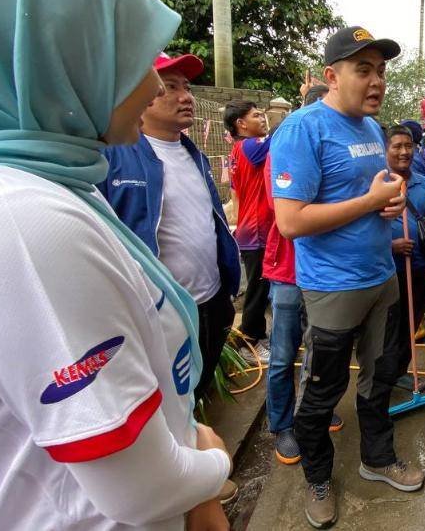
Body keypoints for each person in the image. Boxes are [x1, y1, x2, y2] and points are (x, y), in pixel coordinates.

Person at [0, 0, 231, 530]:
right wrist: (210, 464)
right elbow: (143, 491)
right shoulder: (17, 222)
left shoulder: (46, 178)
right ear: (51, 54)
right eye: (126, 52)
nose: (154, 79)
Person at [271, 25, 425, 529]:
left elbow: (369, 197)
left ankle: (376, 459)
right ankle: (318, 476)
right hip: (334, 287)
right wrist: (371, 202)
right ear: (331, 76)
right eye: (364, 70)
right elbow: (291, 221)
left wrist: (388, 203)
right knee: (322, 391)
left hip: (381, 277)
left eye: (381, 70)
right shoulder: (303, 128)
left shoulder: (371, 129)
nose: (377, 81)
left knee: (380, 378)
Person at [101, 52, 241, 405]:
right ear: (141, 95)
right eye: (171, 87)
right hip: (159, 314)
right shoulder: (116, 156)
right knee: (167, 403)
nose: (186, 97)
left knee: (198, 390)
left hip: (209, 303)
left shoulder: (195, 155)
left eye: (187, 87)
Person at [260, 149, 344, 468]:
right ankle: (283, 425)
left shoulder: (335, 153)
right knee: (283, 354)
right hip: (288, 272)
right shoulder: (286, 153)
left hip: (325, 273)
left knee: (318, 350)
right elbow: (285, 214)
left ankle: (311, 411)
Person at [224, 100, 274, 364]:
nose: (263, 119)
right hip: (257, 231)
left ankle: (258, 336)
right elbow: (281, 137)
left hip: (250, 228)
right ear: (241, 124)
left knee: (259, 287)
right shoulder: (251, 146)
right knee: (257, 289)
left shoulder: (236, 150)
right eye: (256, 116)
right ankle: (249, 343)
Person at [385, 125, 425, 390]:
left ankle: (399, 372)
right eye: (397, 146)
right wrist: (390, 245)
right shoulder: (375, 184)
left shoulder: (423, 183)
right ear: (385, 149)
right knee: (387, 328)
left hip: (417, 268)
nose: (404, 152)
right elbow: (360, 229)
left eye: (409, 146)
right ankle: (380, 378)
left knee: (410, 324)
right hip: (386, 271)